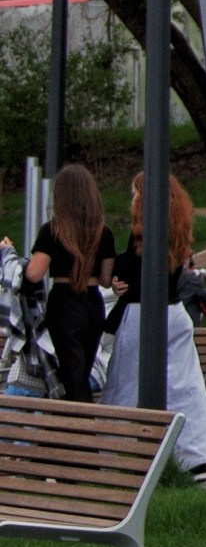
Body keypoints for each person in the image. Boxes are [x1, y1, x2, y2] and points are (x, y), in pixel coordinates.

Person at [98, 172, 206, 472]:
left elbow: (131, 268)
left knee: (124, 384)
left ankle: (110, 455)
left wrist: (114, 274)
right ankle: (196, 458)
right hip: (175, 312)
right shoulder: (177, 227)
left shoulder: (143, 232)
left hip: (141, 313)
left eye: (134, 194)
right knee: (186, 388)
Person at [16, 163, 116, 400]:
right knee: (81, 372)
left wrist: (11, 257)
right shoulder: (104, 233)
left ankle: (78, 420)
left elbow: (34, 273)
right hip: (93, 304)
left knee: (71, 377)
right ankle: (77, 418)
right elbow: (105, 279)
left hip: (63, 303)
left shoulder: (52, 231)